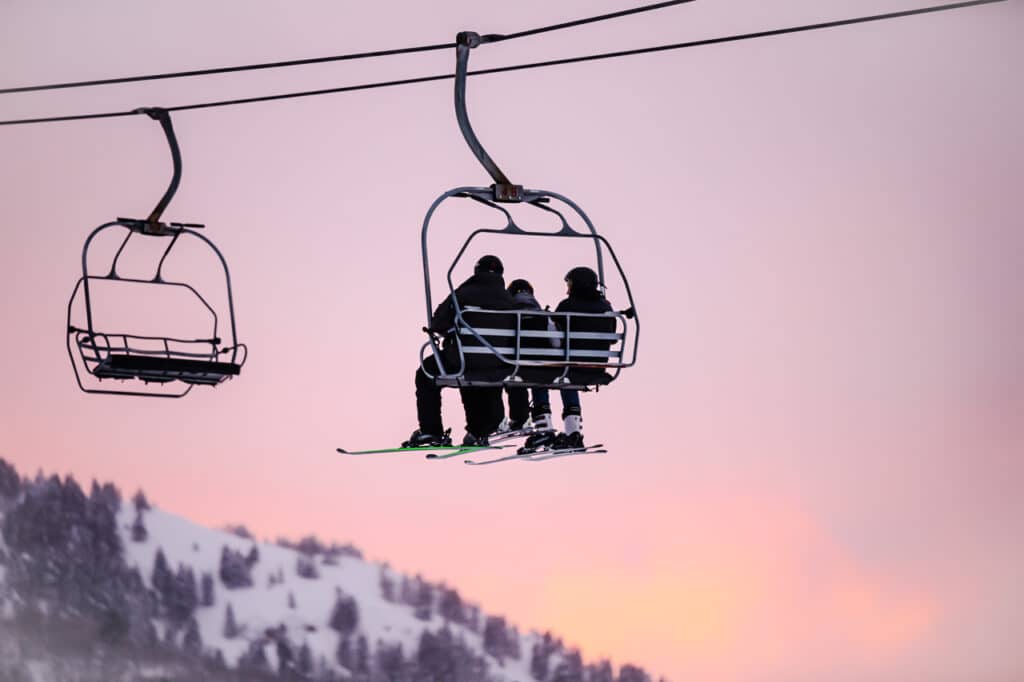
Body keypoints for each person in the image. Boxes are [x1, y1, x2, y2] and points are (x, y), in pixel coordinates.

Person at [404, 255, 516, 448]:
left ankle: (431, 430)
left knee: (426, 373)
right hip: (498, 363)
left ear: (477, 271)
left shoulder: (463, 294)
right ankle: (479, 429)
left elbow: (438, 322)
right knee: (479, 375)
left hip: (464, 360)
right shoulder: (510, 300)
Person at [522, 266, 615, 451]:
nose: (567, 290)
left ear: (578, 285)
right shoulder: (606, 307)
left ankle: (544, 428)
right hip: (596, 366)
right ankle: (574, 432)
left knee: (539, 370)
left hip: (570, 366)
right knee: (568, 375)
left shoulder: (568, 306)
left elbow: (555, 339)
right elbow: (612, 338)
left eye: (569, 285)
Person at [502, 278, 554, 434]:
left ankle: (520, 418)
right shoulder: (544, 315)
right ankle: (543, 419)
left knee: (514, 372)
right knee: (538, 371)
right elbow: (556, 342)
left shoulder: (507, 313)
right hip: (541, 366)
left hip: (515, 365)